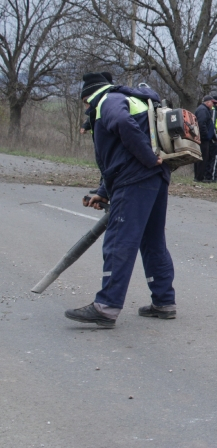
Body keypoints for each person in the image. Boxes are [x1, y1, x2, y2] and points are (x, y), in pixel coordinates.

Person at [64, 72, 177, 328]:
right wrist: (103, 191)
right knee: (152, 240)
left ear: (86, 99)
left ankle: (106, 307)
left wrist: (147, 157)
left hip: (136, 178)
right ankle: (163, 302)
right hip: (155, 177)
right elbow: (119, 153)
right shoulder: (131, 98)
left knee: (119, 240)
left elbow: (124, 127)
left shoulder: (107, 101)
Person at [194, 95, 217, 182]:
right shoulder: (203, 110)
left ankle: (199, 177)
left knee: (202, 158)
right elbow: (201, 124)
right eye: (212, 102)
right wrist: (205, 136)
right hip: (203, 139)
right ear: (208, 102)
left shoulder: (204, 109)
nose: (213, 104)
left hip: (202, 138)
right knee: (202, 158)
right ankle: (199, 178)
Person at [207, 95, 217, 182]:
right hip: (213, 140)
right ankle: (213, 178)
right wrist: (216, 137)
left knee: (212, 159)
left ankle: (210, 177)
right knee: (215, 158)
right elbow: (212, 126)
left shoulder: (213, 111)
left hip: (213, 139)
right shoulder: (213, 112)